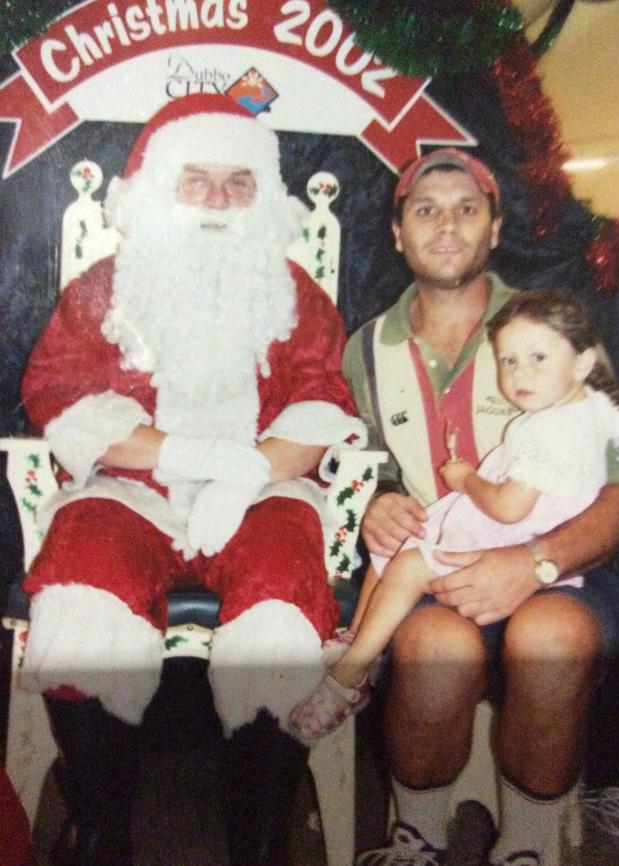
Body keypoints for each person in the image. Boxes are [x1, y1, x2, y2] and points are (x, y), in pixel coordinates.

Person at [19, 93, 365, 866]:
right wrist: (196, 460)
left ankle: (261, 834)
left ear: (263, 198)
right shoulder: (106, 291)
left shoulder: (292, 295)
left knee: (280, 594)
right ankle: (103, 831)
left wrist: (247, 475)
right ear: (157, 189)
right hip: (133, 484)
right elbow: (60, 397)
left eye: (238, 182)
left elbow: (320, 403)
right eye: (196, 179)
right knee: (81, 583)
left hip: (262, 489)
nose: (217, 200)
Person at [339, 149, 619, 866]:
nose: (446, 225)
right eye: (425, 209)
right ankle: (416, 838)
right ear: (397, 232)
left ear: (496, 228)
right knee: (429, 646)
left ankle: (527, 848)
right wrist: (375, 502)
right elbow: (359, 466)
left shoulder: (552, 332)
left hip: (556, 564)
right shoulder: (365, 350)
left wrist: (534, 562)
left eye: (466, 208)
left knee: (553, 640)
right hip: (434, 566)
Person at [289, 288, 619, 740]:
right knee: (405, 538)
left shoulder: (547, 433)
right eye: (509, 360)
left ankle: (350, 673)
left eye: (538, 358)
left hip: (510, 531)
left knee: (408, 563)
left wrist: (464, 480)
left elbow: (507, 505)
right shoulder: (595, 405)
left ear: (581, 363)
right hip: (528, 525)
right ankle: (360, 638)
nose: (520, 374)